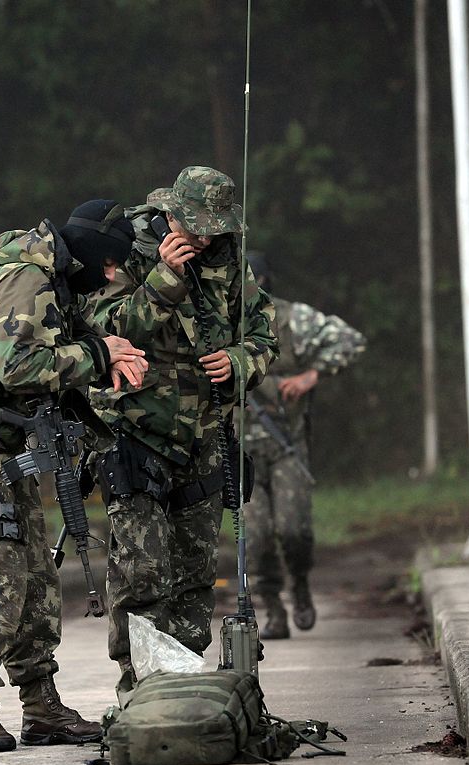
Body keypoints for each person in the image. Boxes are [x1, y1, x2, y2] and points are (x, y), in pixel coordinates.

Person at [0, 199, 148, 752]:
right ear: (96, 253)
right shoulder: (28, 273)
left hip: (4, 447)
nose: (113, 276)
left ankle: (41, 704)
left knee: (37, 576)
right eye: (113, 263)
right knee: (2, 570)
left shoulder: (57, 282)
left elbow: (54, 373)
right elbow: (19, 366)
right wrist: (98, 352)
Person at [87, 166, 278, 695]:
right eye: (196, 226)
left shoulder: (228, 261)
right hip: (137, 435)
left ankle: (186, 683)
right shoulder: (127, 249)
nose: (204, 237)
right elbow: (108, 333)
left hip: (205, 436)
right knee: (141, 571)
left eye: (214, 227)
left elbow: (263, 330)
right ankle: (139, 685)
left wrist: (242, 362)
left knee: (196, 572)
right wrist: (164, 280)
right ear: (172, 214)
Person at [243, 252, 366, 639]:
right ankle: (273, 609)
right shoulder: (220, 324)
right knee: (257, 537)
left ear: (264, 280)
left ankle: (298, 583)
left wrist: (312, 376)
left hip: (286, 446)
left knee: (294, 530)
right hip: (239, 451)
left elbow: (349, 340)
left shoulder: (293, 319)